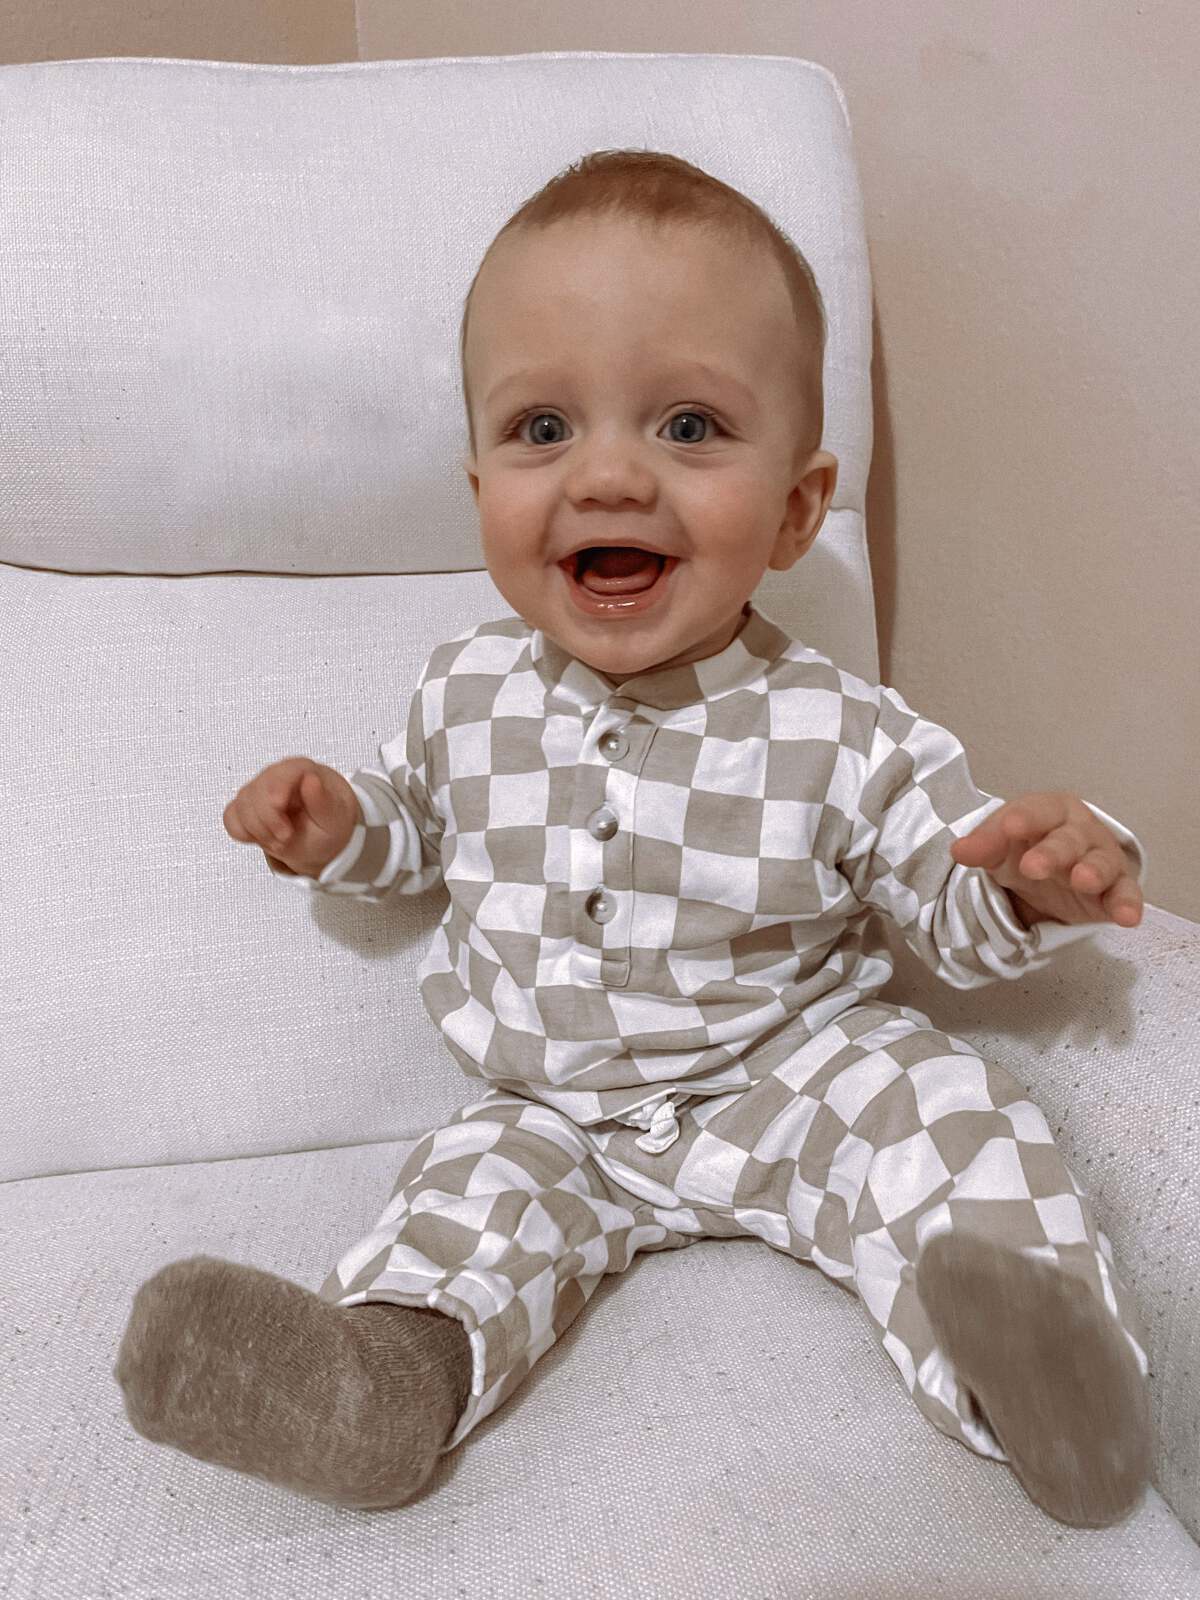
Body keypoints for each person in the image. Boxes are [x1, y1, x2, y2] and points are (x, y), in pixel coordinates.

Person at [114, 150, 1152, 1527]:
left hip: (789, 1077)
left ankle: (1033, 1384)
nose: (608, 476)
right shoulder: (461, 690)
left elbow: (938, 891)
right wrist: (338, 829)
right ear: (476, 476)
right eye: (543, 429)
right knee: (465, 1204)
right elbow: (418, 842)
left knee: (948, 1119)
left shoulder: (838, 723)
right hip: (553, 1111)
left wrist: (1025, 884)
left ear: (793, 509)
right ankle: (382, 1380)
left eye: (687, 427)